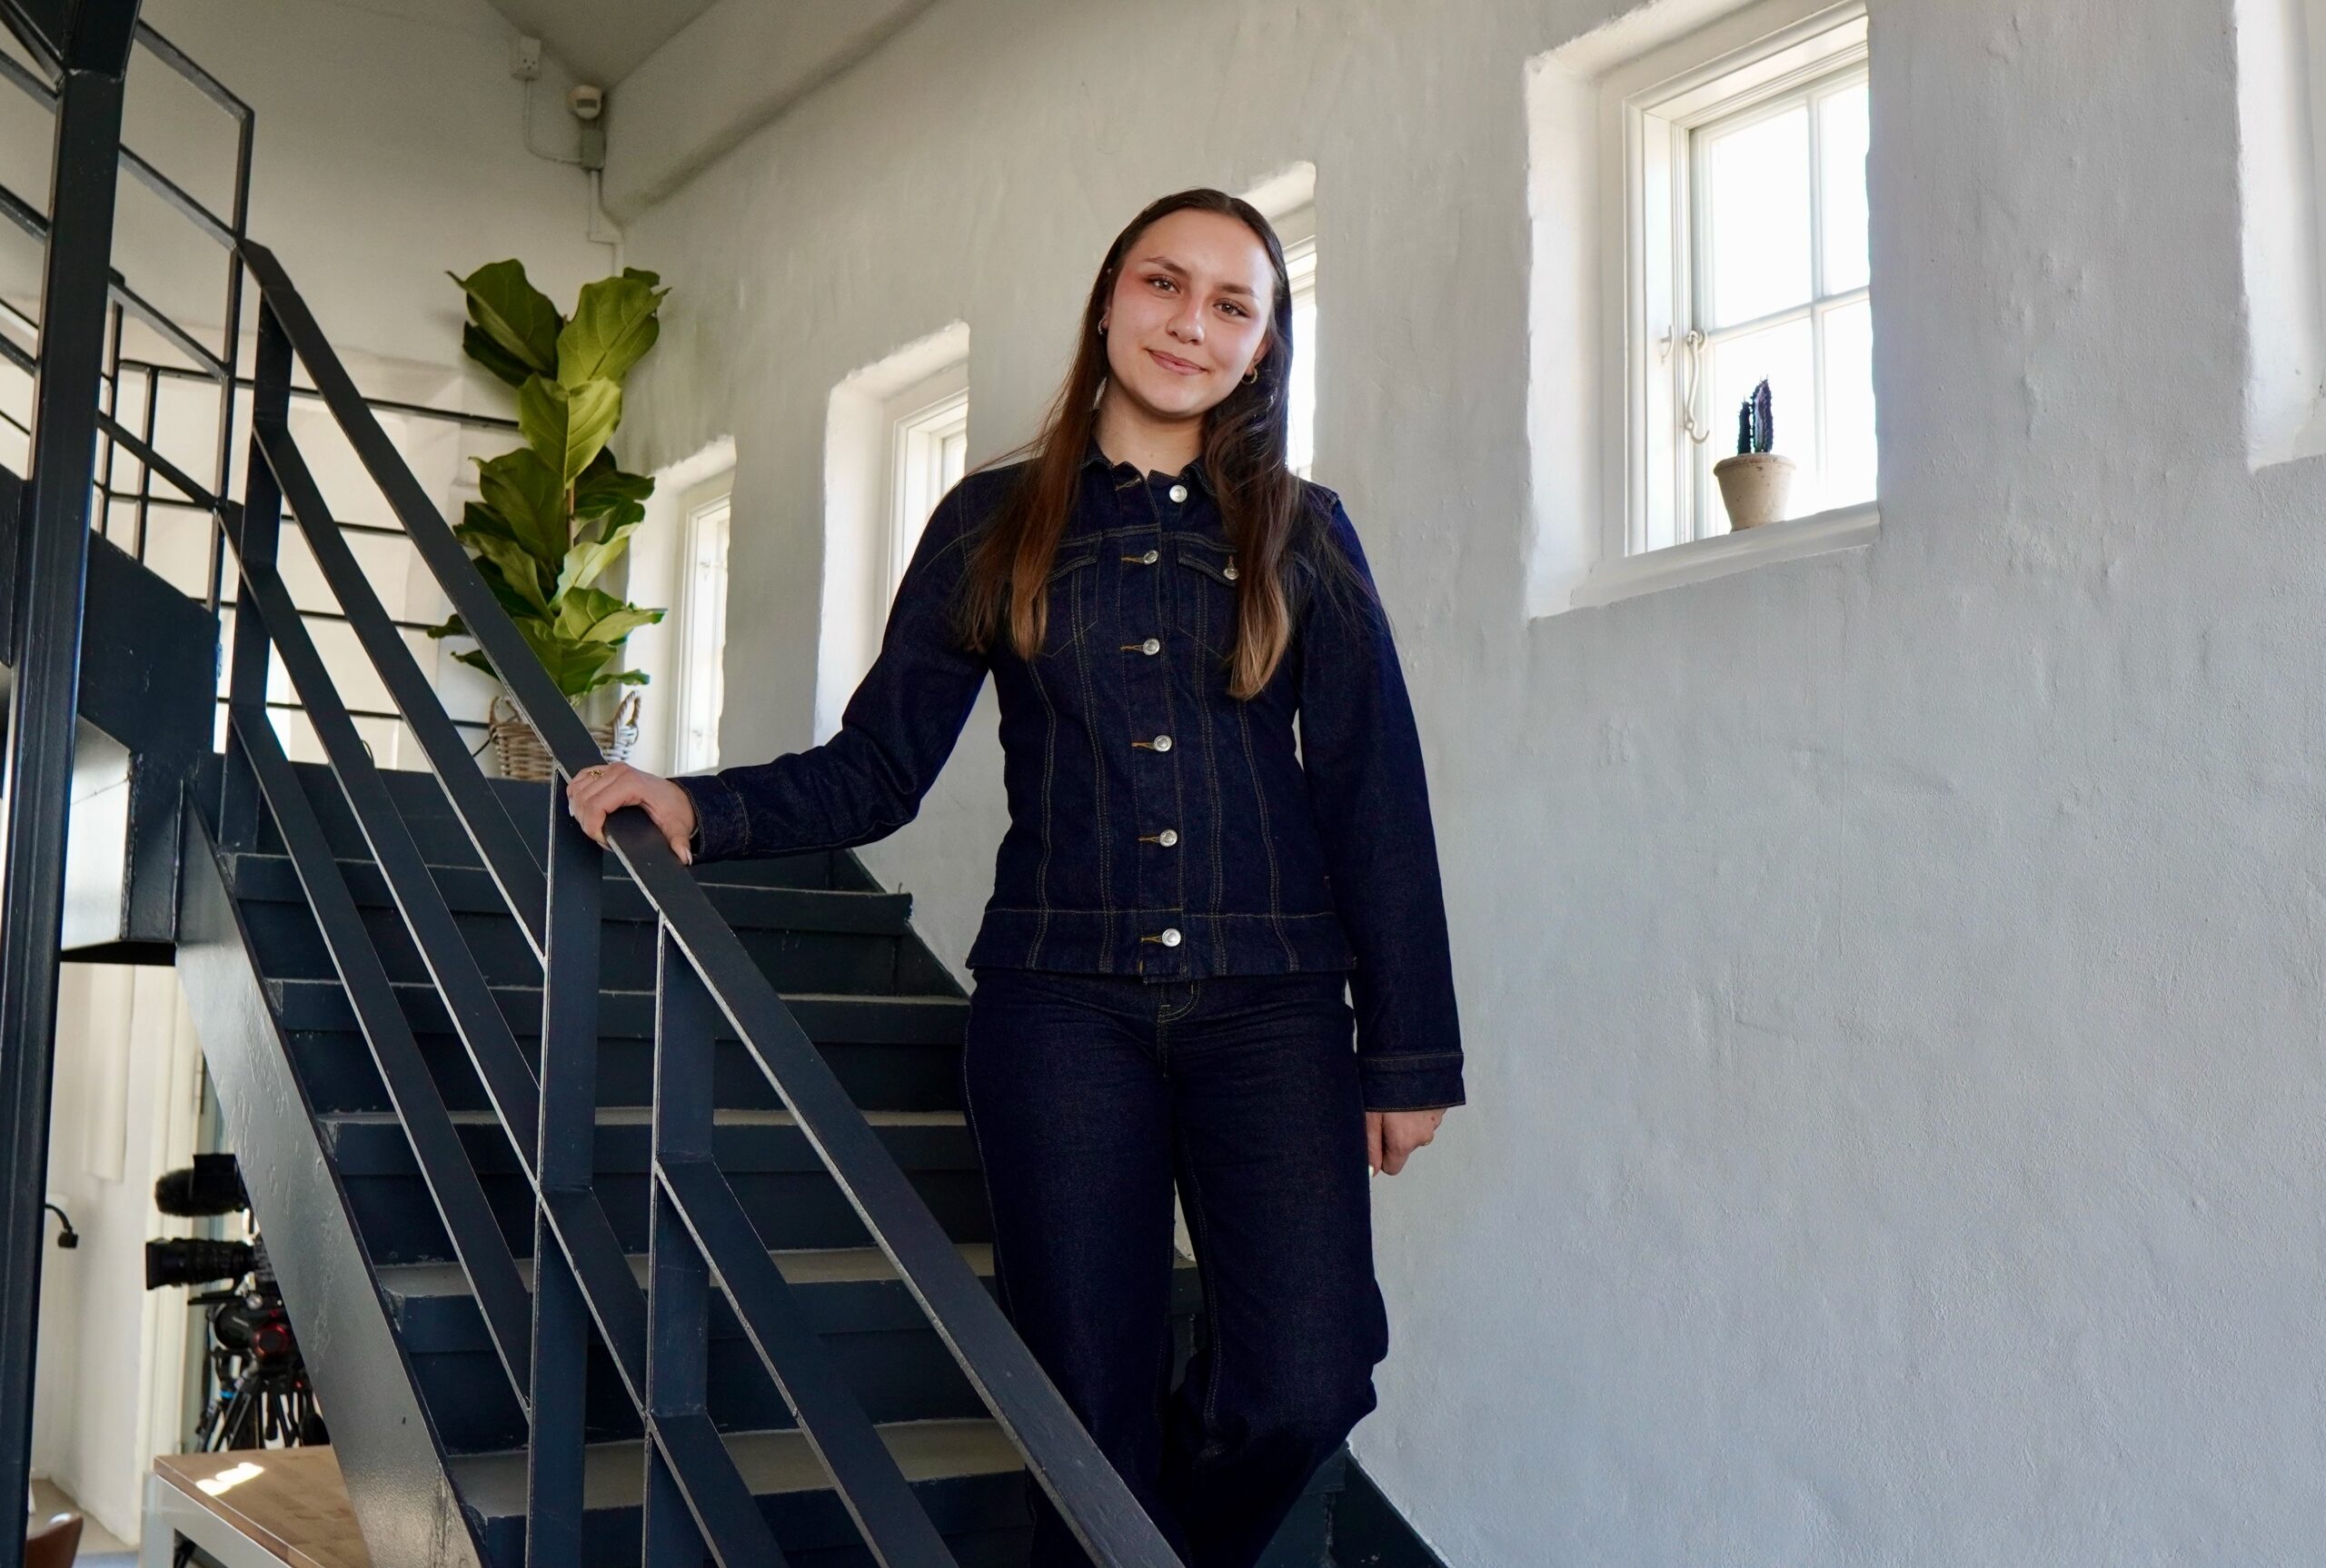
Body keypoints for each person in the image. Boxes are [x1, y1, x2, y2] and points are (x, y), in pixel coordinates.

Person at [566, 187, 1465, 1568]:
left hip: (1275, 1010)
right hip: (1060, 1014)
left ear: (1263, 349)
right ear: (1108, 302)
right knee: (1082, 1416)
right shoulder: (990, 520)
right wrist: (700, 803)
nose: (1192, 322)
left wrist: (1407, 1050)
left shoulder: (1305, 532)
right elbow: (879, 767)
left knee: (1308, 1379)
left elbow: (1374, 791)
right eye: (1164, 284)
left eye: (1233, 304)